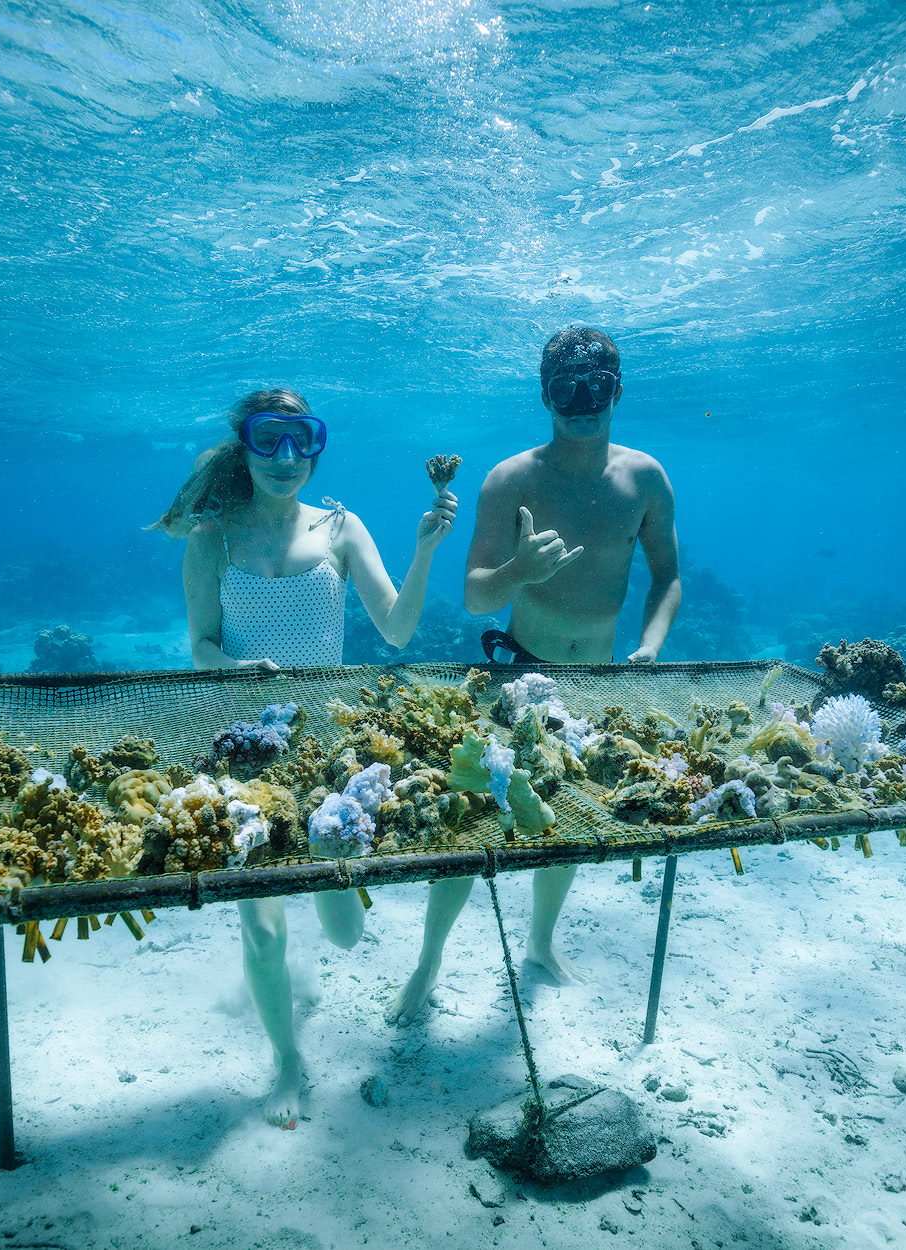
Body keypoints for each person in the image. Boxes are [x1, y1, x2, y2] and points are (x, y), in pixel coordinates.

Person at [154, 387, 456, 1127]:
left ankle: (326, 922)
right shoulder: (211, 537)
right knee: (260, 925)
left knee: (346, 932)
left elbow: (396, 631)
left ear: (317, 445)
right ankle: (288, 1062)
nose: (286, 458)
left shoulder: (342, 529)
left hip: (327, 754)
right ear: (245, 446)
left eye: (301, 440)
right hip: (245, 753)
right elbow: (200, 646)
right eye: (268, 440)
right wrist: (238, 675)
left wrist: (423, 551)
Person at [385, 325, 680, 1026]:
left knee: (567, 820)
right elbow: (477, 596)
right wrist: (521, 570)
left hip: (600, 682)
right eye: (566, 389)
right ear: (544, 395)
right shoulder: (510, 479)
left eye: (596, 387)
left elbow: (668, 578)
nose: (582, 403)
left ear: (618, 389)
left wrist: (650, 647)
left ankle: (541, 947)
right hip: (517, 679)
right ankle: (427, 964)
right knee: (473, 820)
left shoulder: (644, 477)